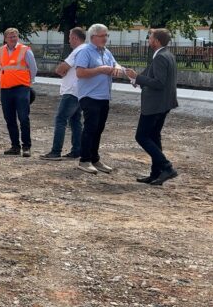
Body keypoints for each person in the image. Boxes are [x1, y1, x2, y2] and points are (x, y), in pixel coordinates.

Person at [126, 28, 179, 185]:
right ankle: (156, 173)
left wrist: (137, 77)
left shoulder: (160, 57)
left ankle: (167, 167)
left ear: (156, 41)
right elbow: (150, 75)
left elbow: (159, 83)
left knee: (141, 136)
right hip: (163, 103)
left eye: (150, 38)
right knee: (154, 137)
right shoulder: (166, 55)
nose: (148, 40)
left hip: (155, 104)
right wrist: (137, 79)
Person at [74, 23, 126, 174]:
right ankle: (84, 160)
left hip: (104, 96)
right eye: (102, 36)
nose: (105, 38)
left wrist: (117, 67)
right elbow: (80, 73)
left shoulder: (106, 51)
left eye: (106, 35)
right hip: (90, 96)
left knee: (98, 128)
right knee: (90, 128)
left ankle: (94, 158)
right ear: (93, 37)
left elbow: (115, 63)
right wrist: (100, 70)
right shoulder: (85, 51)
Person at [41, 27, 86, 160]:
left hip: (71, 91)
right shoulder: (87, 50)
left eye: (70, 38)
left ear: (75, 38)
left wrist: (62, 69)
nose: (69, 41)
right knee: (75, 121)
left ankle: (56, 151)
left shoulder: (77, 51)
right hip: (81, 91)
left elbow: (60, 69)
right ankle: (77, 150)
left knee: (61, 120)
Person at [0, 28, 38, 157]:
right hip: (5, 89)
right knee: (9, 119)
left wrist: (28, 83)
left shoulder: (25, 50)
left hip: (21, 88)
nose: (13, 38)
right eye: (10, 37)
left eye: (15, 36)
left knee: (23, 118)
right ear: (5, 38)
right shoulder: (1, 50)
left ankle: (26, 147)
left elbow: (33, 68)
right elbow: (2, 67)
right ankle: (15, 146)